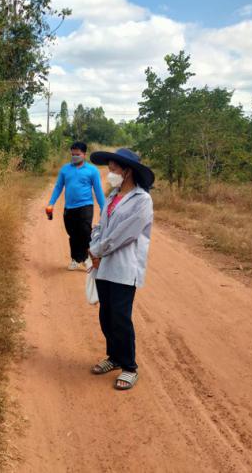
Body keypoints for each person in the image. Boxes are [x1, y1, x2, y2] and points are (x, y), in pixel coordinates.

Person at [87, 148, 155, 391]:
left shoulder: (142, 200)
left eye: (114, 168)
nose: (110, 172)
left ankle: (129, 366)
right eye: (110, 168)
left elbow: (124, 234)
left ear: (127, 171)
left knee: (120, 317)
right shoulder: (113, 196)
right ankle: (114, 357)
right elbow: (100, 226)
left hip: (124, 268)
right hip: (104, 265)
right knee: (106, 314)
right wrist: (93, 246)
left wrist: (98, 250)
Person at [46, 141, 105, 271]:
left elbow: (98, 190)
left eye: (77, 154)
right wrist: (51, 203)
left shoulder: (92, 171)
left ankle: (86, 258)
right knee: (73, 234)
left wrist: (103, 207)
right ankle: (75, 259)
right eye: (72, 154)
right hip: (69, 208)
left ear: (84, 154)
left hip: (85, 206)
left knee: (85, 232)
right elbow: (58, 187)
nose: (74, 157)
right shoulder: (65, 169)